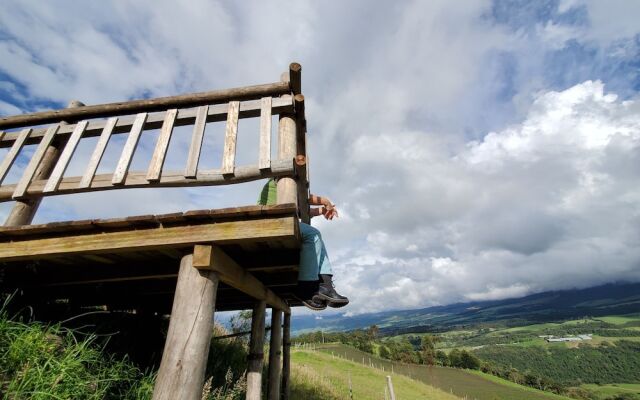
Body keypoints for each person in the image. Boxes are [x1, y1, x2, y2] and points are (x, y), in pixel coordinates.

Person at [258, 178, 349, 311]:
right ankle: (305, 289)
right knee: (313, 234)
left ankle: (326, 285)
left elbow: (300, 211)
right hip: (268, 222)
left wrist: (321, 211)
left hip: (279, 220)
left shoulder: (287, 191)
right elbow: (304, 197)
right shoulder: (281, 177)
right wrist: (325, 201)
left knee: (316, 236)